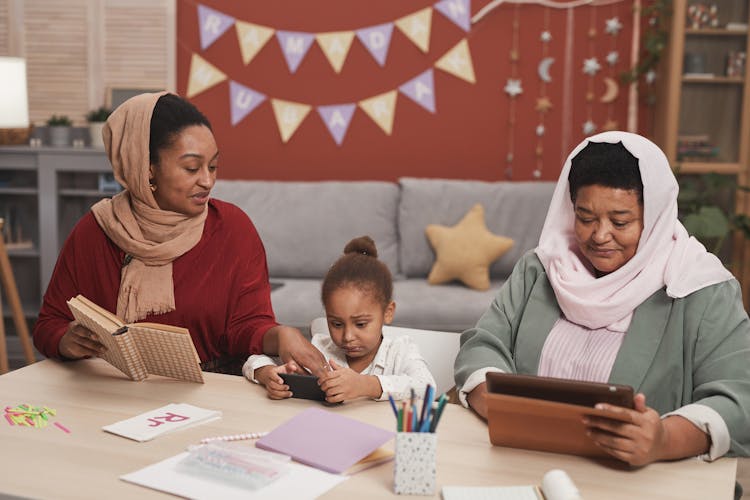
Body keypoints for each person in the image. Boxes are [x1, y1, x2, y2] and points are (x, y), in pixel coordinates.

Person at [454, 131, 750, 466]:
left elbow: (740, 399)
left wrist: (663, 440)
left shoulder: (700, 289)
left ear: (654, 218)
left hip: (639, 482)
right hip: (524, 464)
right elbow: (482, 344)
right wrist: (496, 405)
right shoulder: (541, 269)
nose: (599, 235)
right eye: (585, 217)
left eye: (620, 221)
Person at [33, 91, 327, 376]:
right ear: (147, 169)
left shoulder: (233, 229)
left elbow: (248, 326)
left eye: (213, 166)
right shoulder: (95, 231)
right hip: (112, 392)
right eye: (191, 168)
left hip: (210, 393)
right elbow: (49, 323)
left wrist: (281, 335)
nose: (208, 180)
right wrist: (65, 340)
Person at [243, 236, 436, 403]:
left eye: (360, 324)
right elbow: (252, 361)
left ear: (388, 312)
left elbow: (427, 387)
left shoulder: (400, 351)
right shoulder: (319, 350)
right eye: (336, 324)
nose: (347, 336)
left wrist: (366, 385)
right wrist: (266, 373)